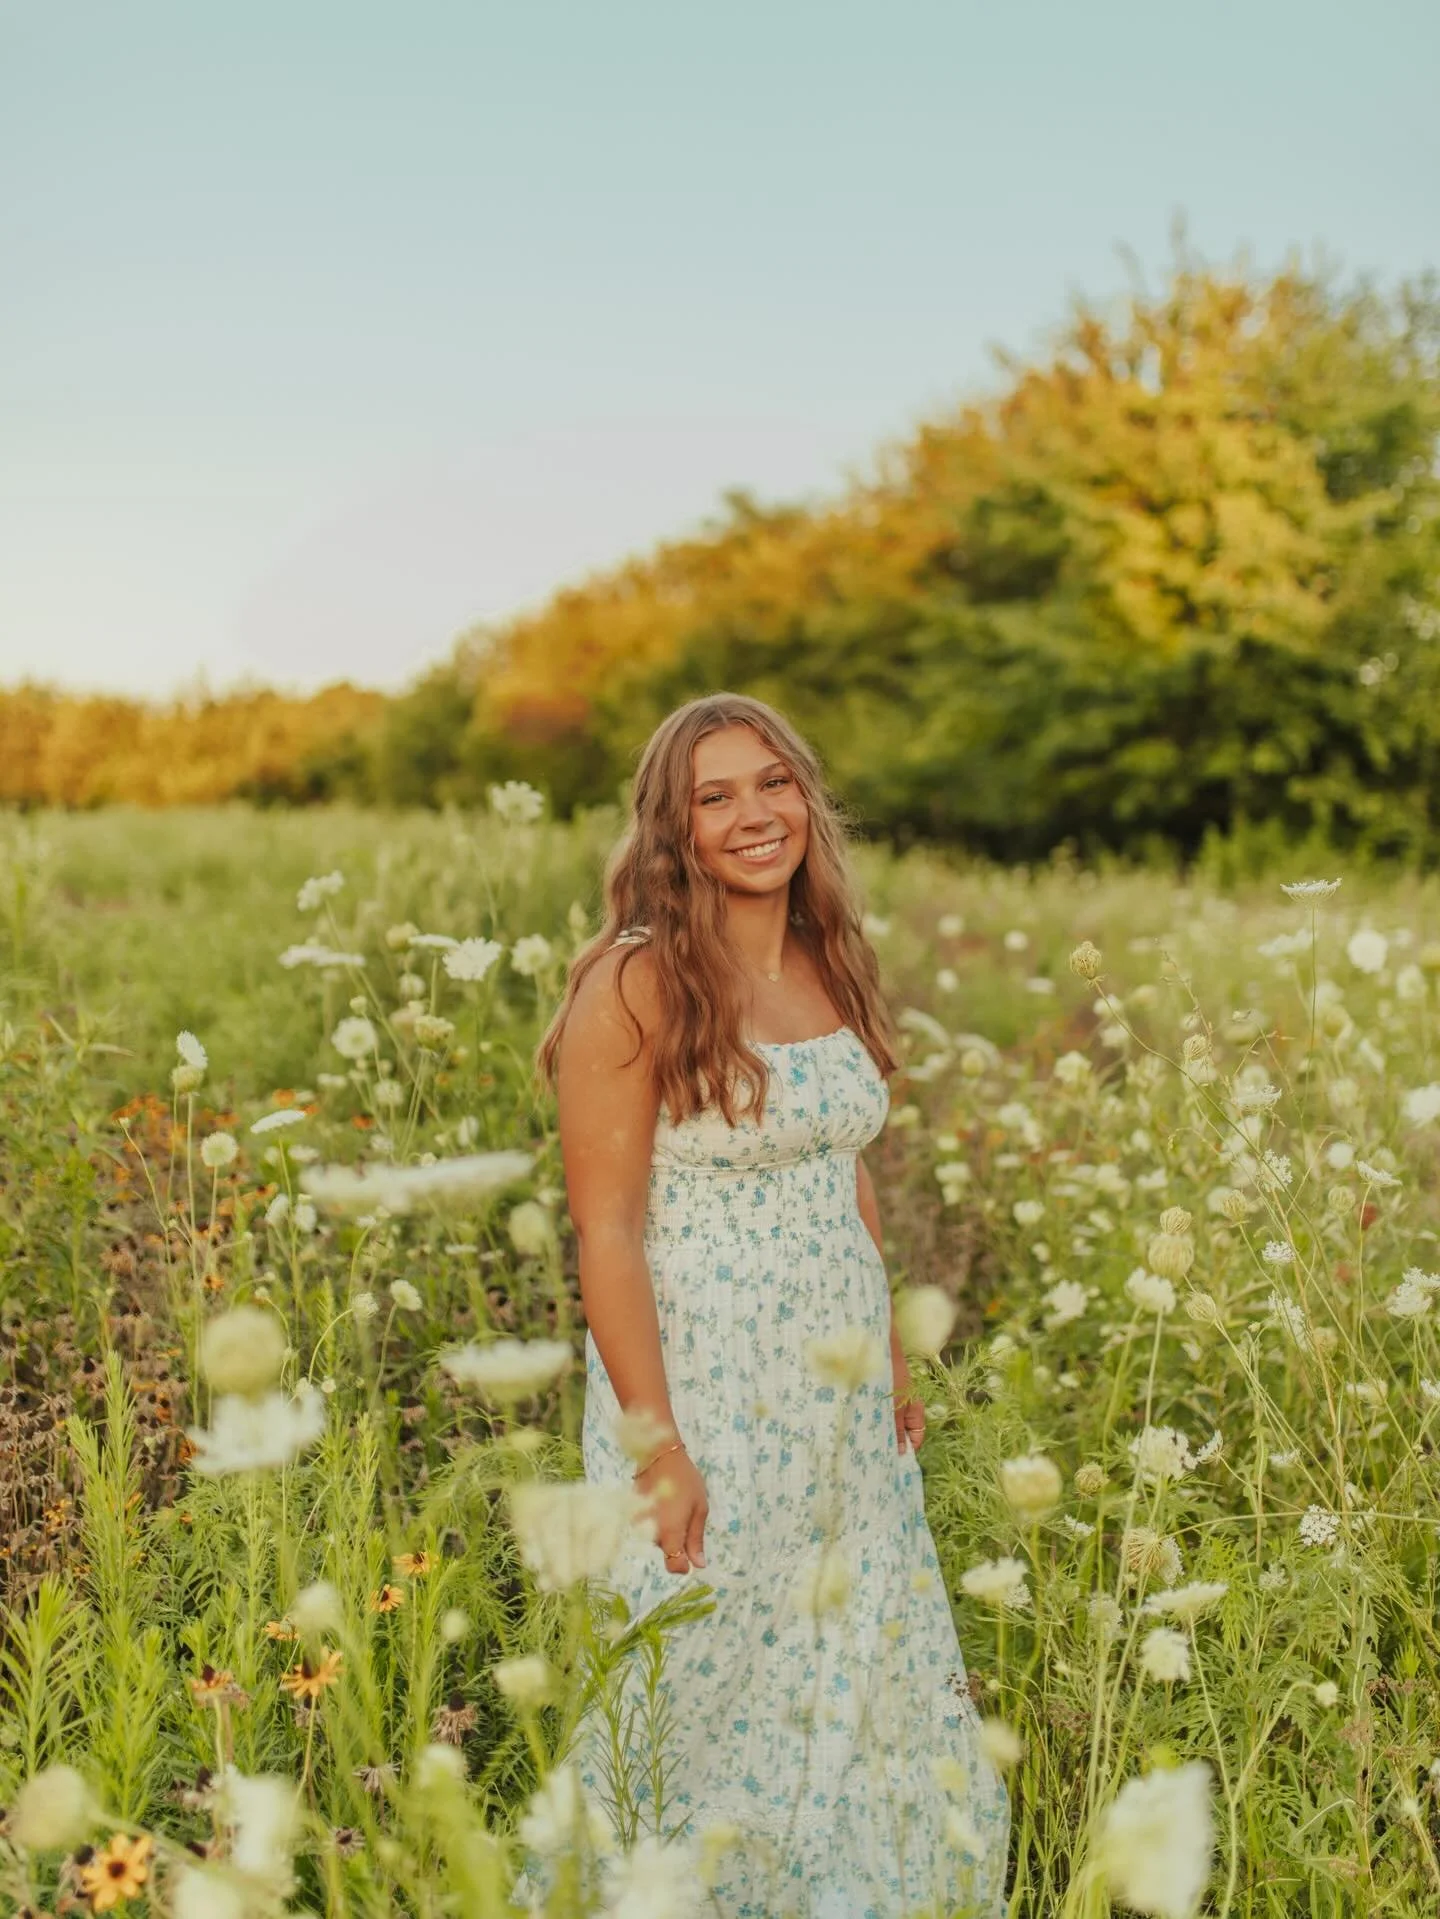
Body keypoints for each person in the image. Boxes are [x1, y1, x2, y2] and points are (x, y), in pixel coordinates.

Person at [533, 692, 1009, 1916]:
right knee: (700, 1659)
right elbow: (609, 1231)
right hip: (706, 1385)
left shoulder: (826, 957)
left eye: (774, 782)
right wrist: (658, 1444)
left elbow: (843, 1165)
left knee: (851, 1647)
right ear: (672, 829)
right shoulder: (633, 985)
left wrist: (894, 1356)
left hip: (838, 1392)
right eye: (716, 794)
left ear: (807, 798)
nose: (755, 814)